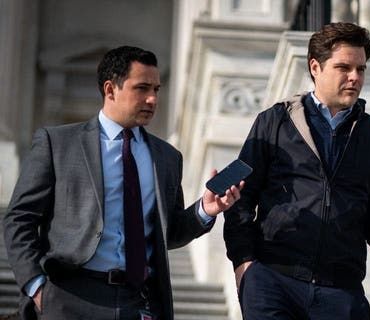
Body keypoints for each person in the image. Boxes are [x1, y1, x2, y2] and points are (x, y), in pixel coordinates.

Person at [3, 46, 243, 320]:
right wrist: (36, 286)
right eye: (142, 88)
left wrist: (204, 211)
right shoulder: (57, 143)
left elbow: (169, 233)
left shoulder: (167, 157)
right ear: (110, 89)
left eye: (156, 89)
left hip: (137, 300)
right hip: (68, 297)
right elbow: (19, 219)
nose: (152, 99)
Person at [223, 22, 370, 320]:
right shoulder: (274, 122)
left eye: (361, 69)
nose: (354, 77)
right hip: (272, 281)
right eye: (344, 67)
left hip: (342, 291)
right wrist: (244, 264)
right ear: (315, 67)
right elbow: (240, 196)